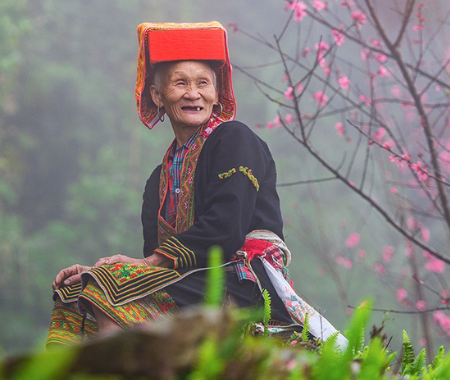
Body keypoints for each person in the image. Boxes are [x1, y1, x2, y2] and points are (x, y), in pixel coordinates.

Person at [46, 21, 342, 347]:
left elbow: (225, 232)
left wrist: (141, 266)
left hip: (241, 281)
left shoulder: (234, 139)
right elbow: (155, 267)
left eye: (203, 83)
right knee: (75, 290)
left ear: (217, 94)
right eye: (180, 83)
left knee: (107, 288)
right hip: (191, 283)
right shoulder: (157, 180)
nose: (193, 93)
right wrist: (96, 270)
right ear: (158, 96)